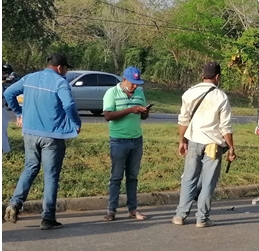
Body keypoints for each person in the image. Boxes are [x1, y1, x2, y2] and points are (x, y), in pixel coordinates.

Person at [2, 53, 83, 229]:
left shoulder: (30, 78)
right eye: (66, 68)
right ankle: (48, 218)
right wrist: (76, 122)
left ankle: (15, 203)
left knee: (30, 168)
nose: (65, 71)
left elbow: (8, 93)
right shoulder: (60, 82)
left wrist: (19, 113)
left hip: (30, 133)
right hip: (52, 136)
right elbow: (68, 105)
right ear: (60, 68)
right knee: (51, 175)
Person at [172, 62, 236, 228]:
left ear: (202, 75)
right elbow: (225, 127)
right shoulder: (221, 97)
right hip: (213, 145)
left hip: (193, 141)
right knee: (208, 182)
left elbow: (183, 120)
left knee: (189, 178)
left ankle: (180, 215)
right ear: (217, 77)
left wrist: (182, 140)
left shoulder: (189, 93)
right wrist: (231, 147)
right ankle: (202, 218)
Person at [101, 66, 150, 221]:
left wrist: (144, 112)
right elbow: (108, 116)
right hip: (118, 140)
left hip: (136, 140)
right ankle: (111, 210)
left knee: (132, 176)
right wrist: (130, 110)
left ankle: (133, 209)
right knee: (116, 177)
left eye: (137, 83)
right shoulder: (112, 93)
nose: (135, 86)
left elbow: (143, 118)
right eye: (133, 83)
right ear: (124, 80)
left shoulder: (140, 93)